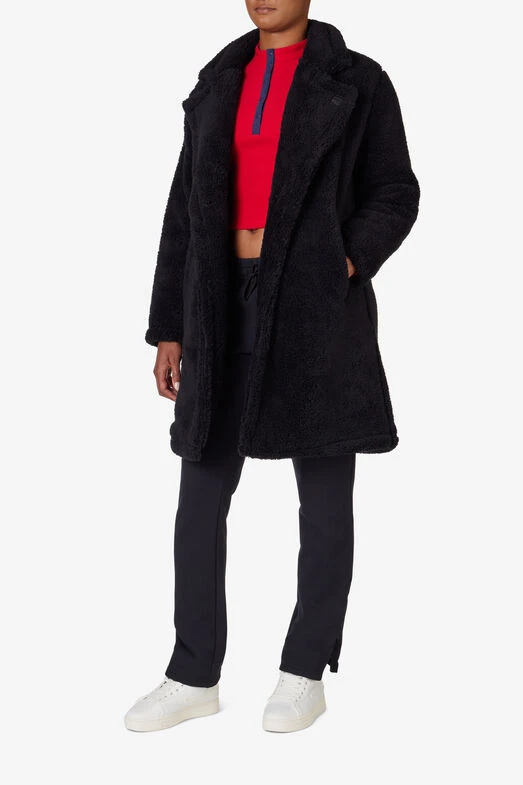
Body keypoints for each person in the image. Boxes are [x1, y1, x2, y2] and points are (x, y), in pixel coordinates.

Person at [125, 1, 420, 734]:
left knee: (322, 499)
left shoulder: (357, 80)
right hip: (216, 299)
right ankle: (192, 673)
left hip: (312, 305)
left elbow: (395, 190)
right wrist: (168, 326)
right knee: (200, 494)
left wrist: (342, 260)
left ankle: (304, 672)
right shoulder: (218, 82)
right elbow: (182, 212)